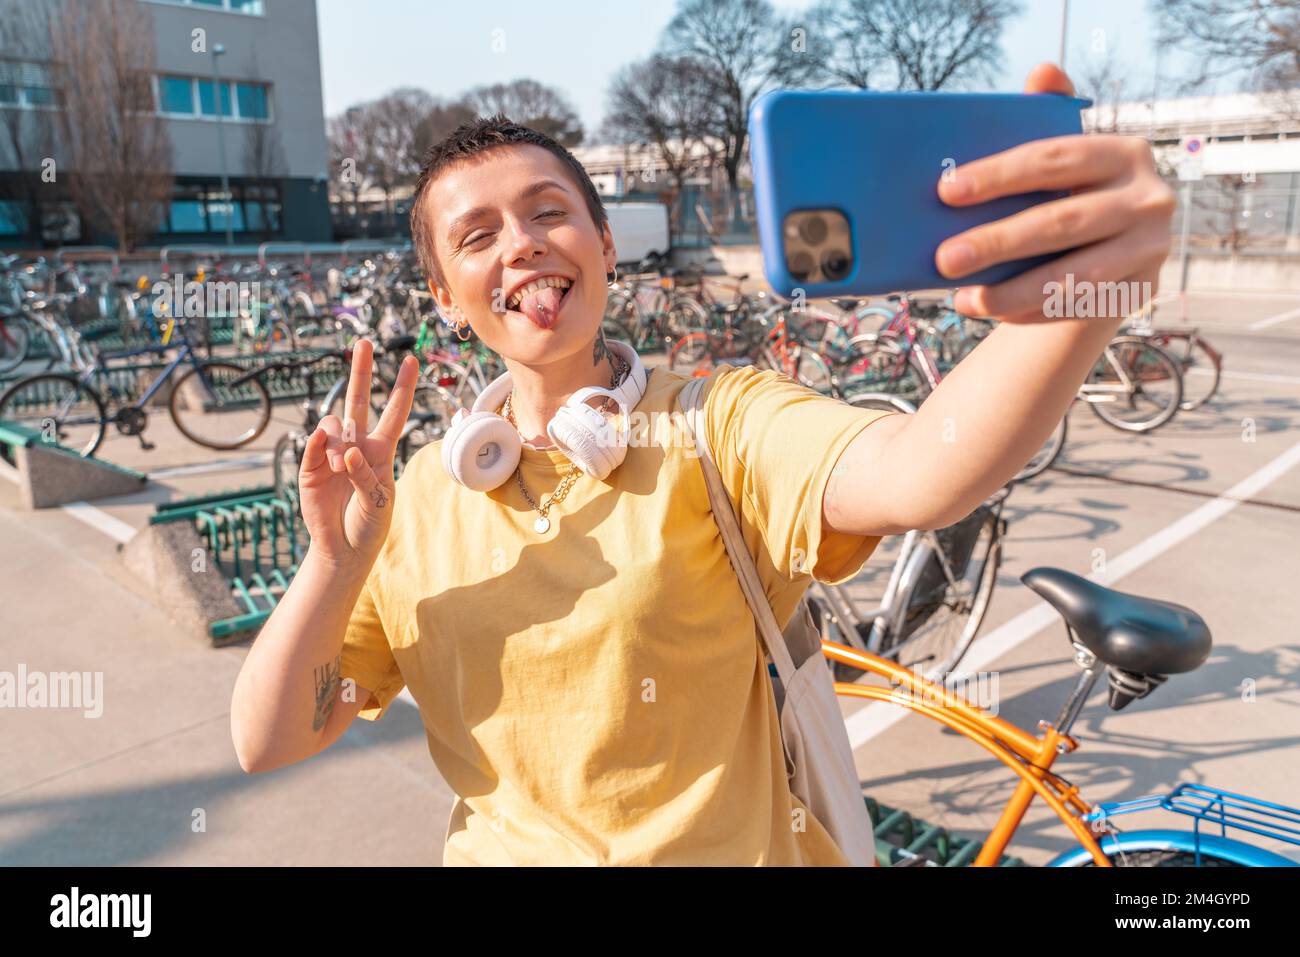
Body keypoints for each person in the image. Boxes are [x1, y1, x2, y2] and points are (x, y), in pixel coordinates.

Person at [230, 62, 1176, 866]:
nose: (520, 244)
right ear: (444, 293)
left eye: (547, 212)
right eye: (477, 236)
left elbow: (921, 470)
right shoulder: (416, 500)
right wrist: (334, 562)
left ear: (605, 244)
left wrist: (1082, 297)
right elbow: (268, 739)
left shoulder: (721, 422)